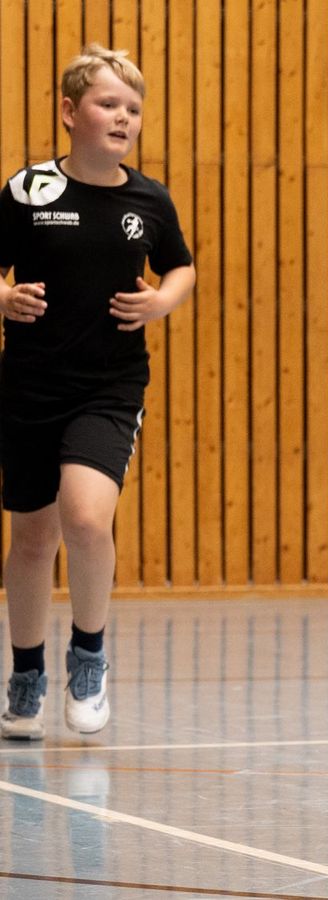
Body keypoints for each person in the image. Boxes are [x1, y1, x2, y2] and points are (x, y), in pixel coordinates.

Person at [0, 45, 195, 740]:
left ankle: (88, 657)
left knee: (85, 518)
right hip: (29, 385)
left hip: (109, 386)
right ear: (68, 111)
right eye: (108, 104)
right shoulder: (28, 191)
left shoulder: (149, 200)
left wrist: (162, 301)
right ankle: (26, 674)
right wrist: (3, 297)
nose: (123, 118)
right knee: (32, 538)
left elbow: (181, 268)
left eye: (133, 109)